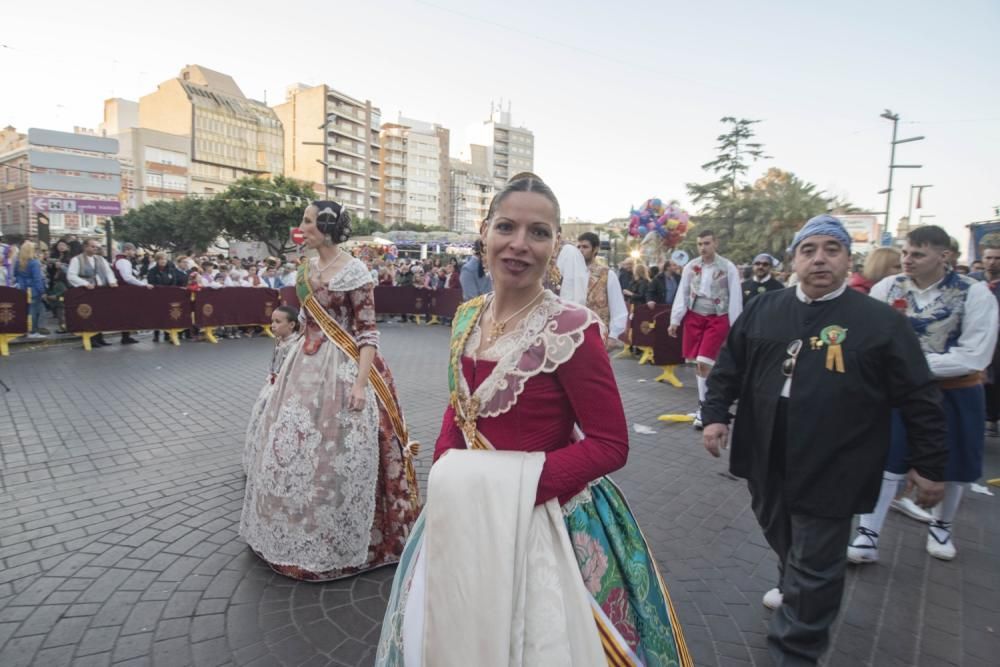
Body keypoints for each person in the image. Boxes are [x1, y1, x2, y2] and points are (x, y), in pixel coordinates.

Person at [376, 175, 691, 666]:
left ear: (556, 244)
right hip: (464, 509)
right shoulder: (466, 317)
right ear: (484, 232)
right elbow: (459, 409)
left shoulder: (573, 329)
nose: (519, 245)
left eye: (538, 232)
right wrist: (444, 478)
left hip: (545, 518)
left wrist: (511, 490)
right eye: (507, 227)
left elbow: (610, 444)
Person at [701, 214, 947, 665]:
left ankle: (795, 651)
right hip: (766, 445)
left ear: (846, 259)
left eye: (831, 250)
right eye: (808, 250)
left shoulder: (877, 321)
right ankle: (795, 577)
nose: (819, 259)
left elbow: (919, 395)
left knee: (816, 561)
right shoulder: (765, 308)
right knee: (780, 530)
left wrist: (930, 463)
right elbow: (729, 366)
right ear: (794, 259)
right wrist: (715, 415)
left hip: (836, 455)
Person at [240, 199, 420, 581]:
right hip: (302, 368)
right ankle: (293, 533)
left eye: (306, 222)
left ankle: (346, 538)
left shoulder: (356, 272)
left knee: (338, 450)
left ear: (325, 228)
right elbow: (306, 322)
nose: (300, 228)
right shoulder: (305, 270)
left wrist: (359, 384)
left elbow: (368, 332)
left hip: (344, 368)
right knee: (295, 447)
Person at [848, 225, 997, 564]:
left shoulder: (974, 294)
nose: (907, 260)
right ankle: (868, 534)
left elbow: (975, 354)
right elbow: (869, 337)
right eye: (905, 252)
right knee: (887, 458)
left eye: (918, 254)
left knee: (954, 464)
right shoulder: (888, 287)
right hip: (898, 392)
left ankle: (942, 526)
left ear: (943, 256)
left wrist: (909, 366)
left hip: (954, 391)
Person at [668, 229, 743, 429]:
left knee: (704, 362)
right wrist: (675, 320)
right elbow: (682, 293)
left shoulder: (728, 267)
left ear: (715, 243)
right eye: (700, 244)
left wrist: (736, 327)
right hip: (695, 316)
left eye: (707, 243)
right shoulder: (691, 267)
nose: (703, 247)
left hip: (718, 317)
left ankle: (705, 407)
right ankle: (706, 404)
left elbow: (735, 296)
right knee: (699, 364)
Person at [243, 305, 302, 474]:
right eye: (272, 321)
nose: (273, 325)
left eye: (278, 322)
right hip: (271, 386)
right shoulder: (279, 341)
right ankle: (257, 459)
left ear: (291, 325)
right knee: (260, 419)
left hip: (283, 389)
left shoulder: (294, 344)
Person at [970, 240, 1000, 435]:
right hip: (976, 339)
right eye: (988, 258)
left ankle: (992, 417)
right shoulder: (971, 282)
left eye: (997, 258)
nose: (992, 262)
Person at [576, 231, 627, 341]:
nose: (580, 250)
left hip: (598, 335)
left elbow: (618, 307)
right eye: (578, 247)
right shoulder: (570, 274)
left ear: (595, 249)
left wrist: (614, 336)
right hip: (573, 335)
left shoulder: (607, 274)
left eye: (585, 247)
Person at [67, 239, 118, 347]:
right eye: (93, 246)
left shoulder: (100, 259)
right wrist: (84, 283)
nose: (95, 249)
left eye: (96, 247)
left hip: (100, 290)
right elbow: (71, 275)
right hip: (86, 291)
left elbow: (108, 271)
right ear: (85, 247)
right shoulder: (77, 259)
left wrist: (112, 282)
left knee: (100, 314)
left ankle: (100, 337)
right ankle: (91, 339)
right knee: (89, 315)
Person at [113, 243, 154, 344]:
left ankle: (126, 336)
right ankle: (125, 337)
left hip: (122, 290)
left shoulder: (119, 260)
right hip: (125, 290)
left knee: (126, 313)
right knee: (127, 313)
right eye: (133, 250)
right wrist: (142, 285)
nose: (134, 253)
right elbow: (127, 277)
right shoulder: (123, 261)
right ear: (127, 250)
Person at [14, 241, 47, 338]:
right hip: (34, 290)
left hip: (21, 289)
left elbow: (16, 275)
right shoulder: (34, 262)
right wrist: (42, 291)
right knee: (34, 311)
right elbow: (37, 278)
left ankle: (23, 330)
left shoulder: (18, 261)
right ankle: (33, 332)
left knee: (23, 311)